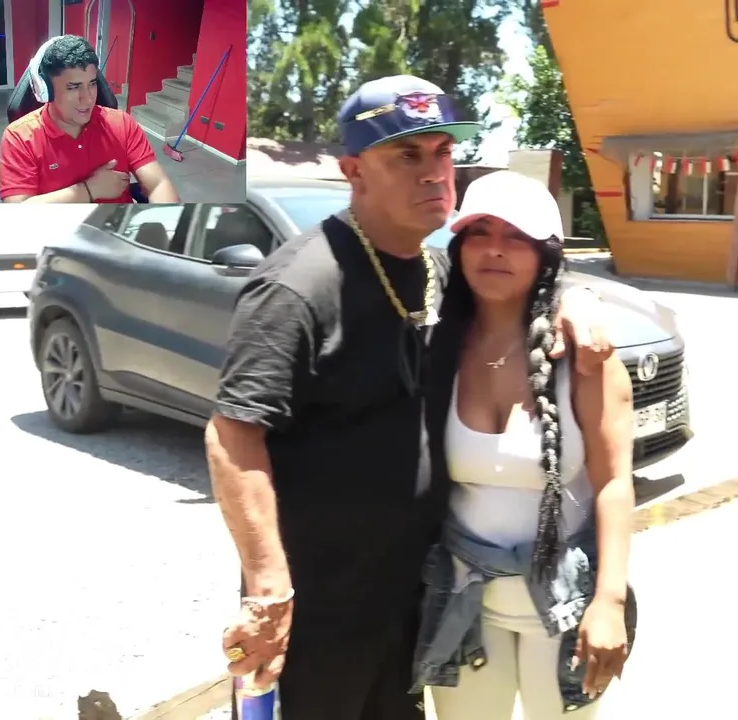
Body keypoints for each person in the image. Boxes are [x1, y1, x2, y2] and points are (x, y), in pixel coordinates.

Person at [205, 75, 614, 720]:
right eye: (406, 155)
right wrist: (267, 586)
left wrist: (574, 297)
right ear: (353, 171)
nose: (433, 172)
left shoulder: (437, 272)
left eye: (442, 152)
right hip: (321, 606)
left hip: (417, 592)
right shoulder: (298, 287)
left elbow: (520, 278)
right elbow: (232, 435)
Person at [410, 171, 637, 720]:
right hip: (463, 605)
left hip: (565, 606)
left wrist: (609, 601)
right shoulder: (437, 346)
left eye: (516, 237)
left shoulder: (582, 355)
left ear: (545, 255)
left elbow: (614, 482)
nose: (494, 249)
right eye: (480, 231)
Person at [0, 35, 180, 204]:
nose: (87, 98)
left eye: (92, 84)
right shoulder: (20, 137)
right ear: (45, 90)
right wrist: (89, 190)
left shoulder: (122, 123)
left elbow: (158, 184)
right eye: (73, 87)